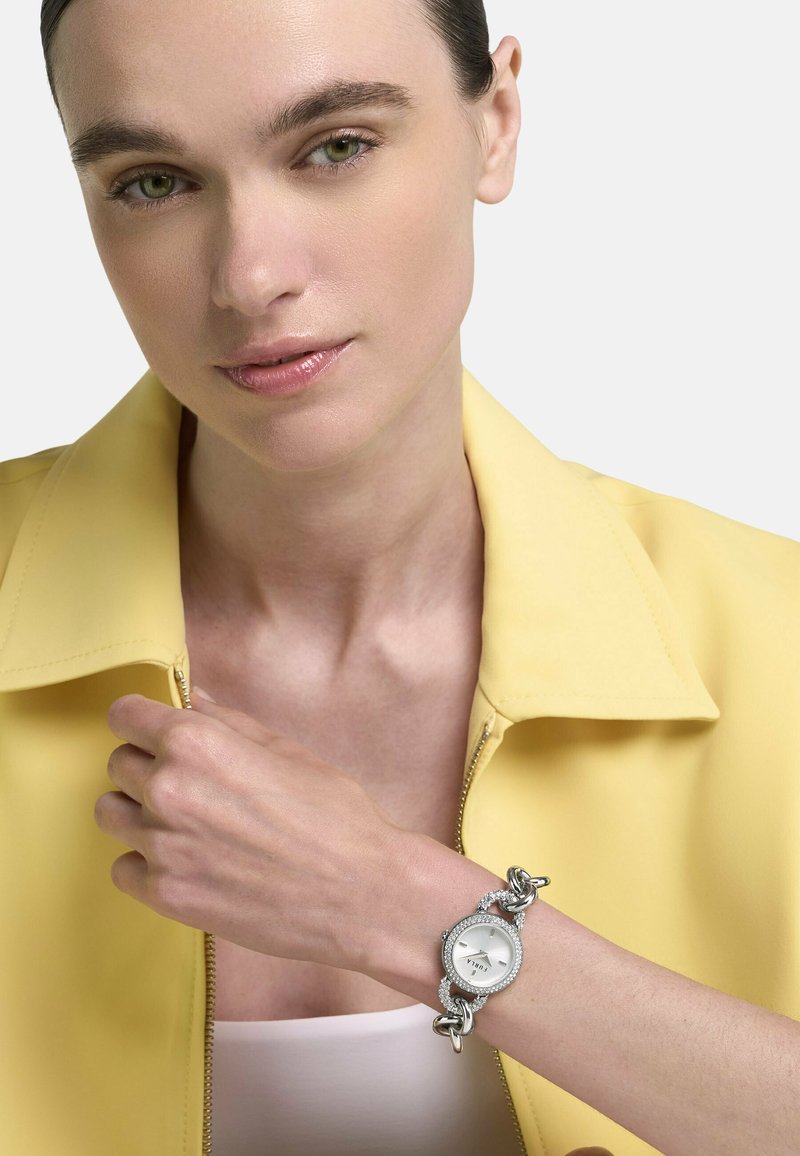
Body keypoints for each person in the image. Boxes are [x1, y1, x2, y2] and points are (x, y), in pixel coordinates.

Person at [1, 0, 797, 1153]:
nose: (250, 276)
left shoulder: (776, 640)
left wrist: (392, 901)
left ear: (497, 120)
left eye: (334, 147)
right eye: (153, 182)